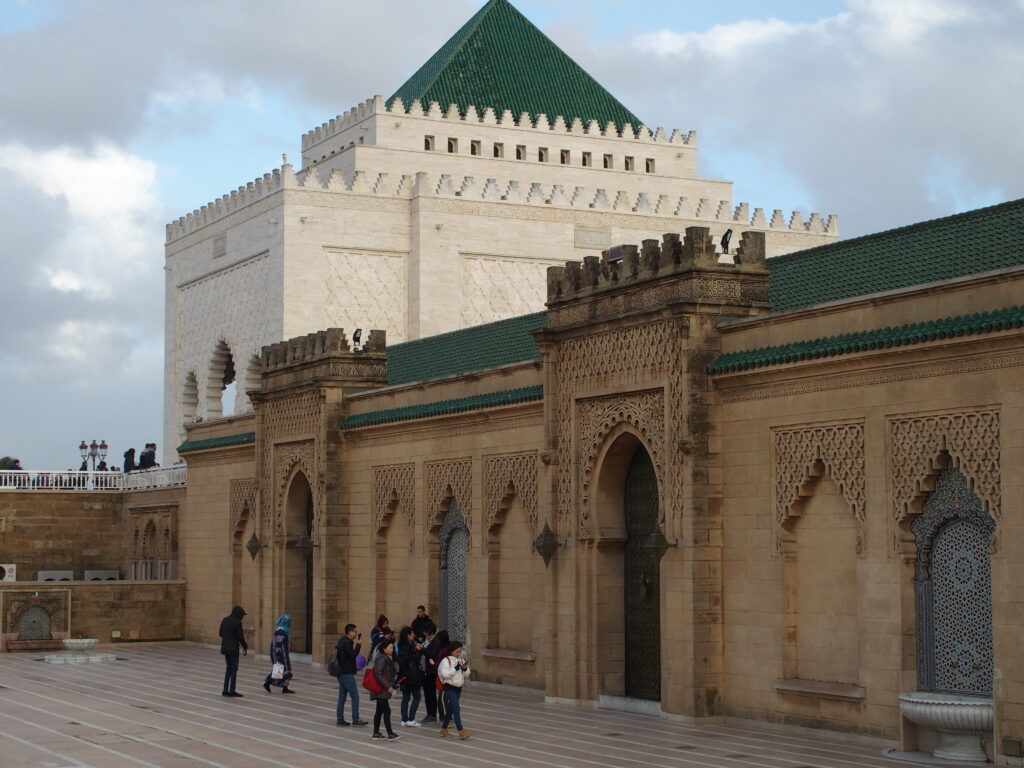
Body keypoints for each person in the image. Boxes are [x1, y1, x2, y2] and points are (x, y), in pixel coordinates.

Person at [335, 623, 368, 727]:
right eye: (355, 631)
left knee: (342, 697)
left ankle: (340, 719)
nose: (356, 633)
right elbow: (353, 655)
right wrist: (358, 644)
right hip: (346, 673)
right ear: (350, 632)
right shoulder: (346, 643)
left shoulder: (342, 641)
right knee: (355, 696)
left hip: (341, 673)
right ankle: (355, 718)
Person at [438, 640, 470, 739]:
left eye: (460, 651)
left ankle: (444, 729)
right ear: (451, 651)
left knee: (451, 709)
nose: (458, 654)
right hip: (449, 687)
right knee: (456, 708)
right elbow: (445, 674)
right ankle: (461, 730)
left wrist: (464, 668)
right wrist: (455, 668)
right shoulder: (446, 660)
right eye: (457, 651)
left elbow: (467, 674)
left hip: (458, 688)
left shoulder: (461, 659)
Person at [370, 638, 401, 741]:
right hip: (382, 689)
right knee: (386, 711)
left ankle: (376, 733)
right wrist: (387, 687)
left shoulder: (385, 657)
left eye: (393, 647)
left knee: (379, 711)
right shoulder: (382, 658)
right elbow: (377, 674)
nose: (392, 650)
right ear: (384, 649)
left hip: (382, 689)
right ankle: (390, 733)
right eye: (390, 648)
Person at [218, 605, 248, 697]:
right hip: (233, 649)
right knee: (234, 670)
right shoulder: (237, 622)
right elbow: (240, 637)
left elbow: (220, 633)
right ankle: (232, 690)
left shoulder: (225, 620)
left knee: (228, 669)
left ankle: (225, 690)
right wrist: (245, 647)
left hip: (225, 648)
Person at [262, 614, 295, 694]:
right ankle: (268, 683)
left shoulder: (282, 631)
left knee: (281, 670)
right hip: (280, 655)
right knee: (282, 670)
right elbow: (279, 645)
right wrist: (280, 654)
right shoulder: (281, 631)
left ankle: (284, 687)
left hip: (281, 654)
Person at [397, 626, 423, 727]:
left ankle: (404, 719)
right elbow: (415, 659)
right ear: (408, 635)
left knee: (405, 697)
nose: (414, 635)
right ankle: (411, 719)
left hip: (404, 675)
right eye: (412, 634)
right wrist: (419, 651)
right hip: (412, 676)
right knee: (417, 696)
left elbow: (401, 660)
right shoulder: (410, 646)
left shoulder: (401, 645)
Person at [419, 621, 439, 723]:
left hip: (431, 672)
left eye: (426, 632)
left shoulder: (435, 642)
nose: (425, 634)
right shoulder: (425, 641)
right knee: (426, 693)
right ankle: (428, 713)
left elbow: (432, 654)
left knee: (431, 693)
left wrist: (422, 649)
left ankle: (433, 714)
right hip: (424, 671)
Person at [433, 630, 451, 721]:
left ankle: (444, 717)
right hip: (445, 675)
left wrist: (434, 663)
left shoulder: (444, 650)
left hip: (444, 676)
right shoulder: (446, 649)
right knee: (444, 696)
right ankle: (444, 716)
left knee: (443, 696)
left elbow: (442, 663)